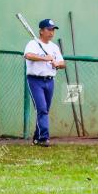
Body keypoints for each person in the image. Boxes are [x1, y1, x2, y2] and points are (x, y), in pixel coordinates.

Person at [24, 18, 66, 147]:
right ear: (41, 31)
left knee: (45, 110)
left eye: (53, 30)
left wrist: (57, 63)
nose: (51, 32)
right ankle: (44, 138)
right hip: (35, 80)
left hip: (49, 81)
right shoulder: (33, 43)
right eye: (49, 29)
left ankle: (37, 138)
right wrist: (44, 58)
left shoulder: (54, 47)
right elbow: (28, 55)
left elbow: (63, 63)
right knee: (41, 109)